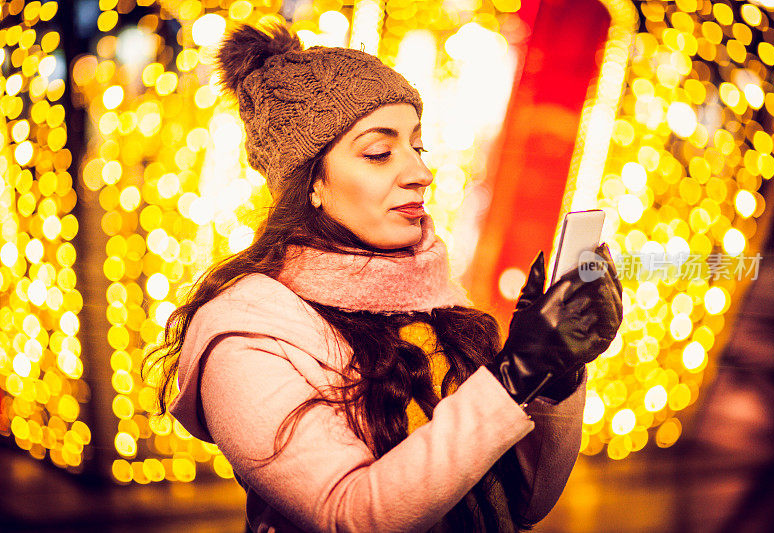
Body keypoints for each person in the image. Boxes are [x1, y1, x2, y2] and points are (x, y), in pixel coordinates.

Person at [142, 22, 623, 533]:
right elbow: (353, 515)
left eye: (419, 147)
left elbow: (523, 504)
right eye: (378, 152)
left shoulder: (436, 304)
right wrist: (514, 379)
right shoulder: (247, 337)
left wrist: (557, 373)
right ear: (312, 183)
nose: (420, 172)